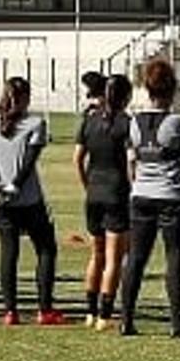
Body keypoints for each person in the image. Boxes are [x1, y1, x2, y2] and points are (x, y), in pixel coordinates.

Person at [118, 56, 180, 338]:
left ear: (147, 88)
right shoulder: (177, 122)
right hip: (171, 196)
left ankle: (126, 320)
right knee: (175, 259)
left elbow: (132, 158)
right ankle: (177, 323)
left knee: (136, 259)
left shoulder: (134, 123)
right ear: (172, 89)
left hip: (141, 194)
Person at [0, 76, 67, 326]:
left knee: (9, 252)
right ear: (26, 97)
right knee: (46, 249)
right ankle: (45, 309)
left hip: (1, 203)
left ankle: (10, 311)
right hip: (29, 200)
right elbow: (29, 161)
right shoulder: (36, 124)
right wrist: (15, 185)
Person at [76, 72, 133, 328]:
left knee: (95, 255)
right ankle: (105, 315)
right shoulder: (126, 123)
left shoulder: (89, 120)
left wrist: (87, 185)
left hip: (94, 194)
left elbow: (77, 158)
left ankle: (89, 312)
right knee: (114, 258)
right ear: (126, 96)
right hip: (117, 192)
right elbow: (132, 161)